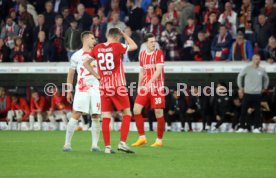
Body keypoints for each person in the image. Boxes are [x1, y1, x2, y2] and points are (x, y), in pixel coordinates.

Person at [84, 28, 138, 154]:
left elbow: (86, 63)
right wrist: (124, 33)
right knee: (127, 113)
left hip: (104, 86)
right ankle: (122, 143)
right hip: (118, 86)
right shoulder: (117, 46)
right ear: (117, 37)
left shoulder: (97, 48)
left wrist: (97, 75)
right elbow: (134, 46)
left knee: (106, 116)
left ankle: (107, 147)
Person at [63, 31, 101, 152]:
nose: (95, 40)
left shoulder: (98, 53)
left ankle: (94, 145)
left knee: (96, 115)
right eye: (92, 38)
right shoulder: (76, 55)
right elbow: (70, 75)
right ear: (85, 39)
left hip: (96, 88)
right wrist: (68, 91)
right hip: (82, 88)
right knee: (77, 113)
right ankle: (67, 144)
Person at [131, 33, 165, 147]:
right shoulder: (142, 54)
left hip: (157, 88)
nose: (153, 43)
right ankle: (142, 137)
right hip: (145, 87)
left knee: (158, 113)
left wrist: (149, 83)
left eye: (154, 41)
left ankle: (159, 140)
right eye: (151, 41)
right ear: (146, 43)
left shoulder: (158, 53)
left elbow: (158, 71)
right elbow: (142, 72)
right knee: (136, 110)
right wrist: (140, 85)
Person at [237, 54, 269, 133]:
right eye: (256, 59)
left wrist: (265, 88)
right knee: (243, 111)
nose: (258, 60)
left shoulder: (262, 70)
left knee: (257, 112)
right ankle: (241, 127)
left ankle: (256, 128)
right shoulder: (247, 68)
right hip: (247, 93)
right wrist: (240, 87)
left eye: (259, 59)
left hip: (257, 94)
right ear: (253, 60)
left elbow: (266, 79)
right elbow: (240, 76)